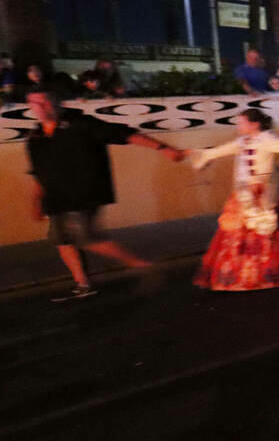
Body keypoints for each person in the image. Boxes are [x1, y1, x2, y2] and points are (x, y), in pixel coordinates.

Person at [24, 88, 186, 301]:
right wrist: (36, 201)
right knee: (62, 240)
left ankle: (140, 265)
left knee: (87, 237)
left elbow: (122, 133)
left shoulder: (81, 124)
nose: (40, 107)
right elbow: (38, 172)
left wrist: (162, 147)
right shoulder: (35, 137)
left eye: (44, 102)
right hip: (56, 197)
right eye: (34, 103)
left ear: (57, 103)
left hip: (84, 192)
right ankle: (83, 284)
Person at [189, 109, 279, 291]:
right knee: (238, 231)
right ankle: (243, 274)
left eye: (242, 123)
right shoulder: (242, 141)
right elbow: (218, 151)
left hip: (265, 191)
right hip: (244, 192)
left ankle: (276, 271)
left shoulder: (267, 138)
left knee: (273, 230)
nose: (239, 126)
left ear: (255, 124)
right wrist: (197, 154)